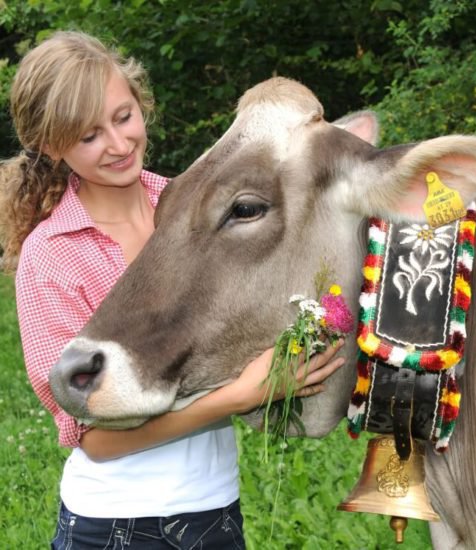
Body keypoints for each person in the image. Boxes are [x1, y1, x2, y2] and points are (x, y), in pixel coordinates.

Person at [0, 31, 345, 549]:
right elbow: (94, 440)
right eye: (88, 136)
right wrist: (242, 396)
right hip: (114, 526)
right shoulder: (52, 254)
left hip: (215, 510)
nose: (118, 145)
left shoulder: (198, 205)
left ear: (141, 106)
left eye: (122, 117)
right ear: (52, 146)